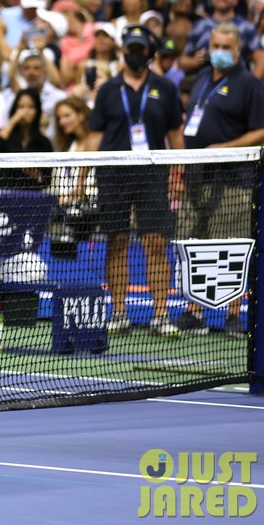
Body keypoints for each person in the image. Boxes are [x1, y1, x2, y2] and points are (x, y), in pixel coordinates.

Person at [85, 25, 184, 336]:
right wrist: (80, 178)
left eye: (141, 49)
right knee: (117, 242)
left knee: (155, 243)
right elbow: (94, 136)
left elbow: (175, 135)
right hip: (112, 173)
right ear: (123, 51)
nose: (136, 54)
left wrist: (177, 173)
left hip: (153, 172)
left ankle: (161, 314)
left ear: (149, 53)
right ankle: (118, 312)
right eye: (131, 49)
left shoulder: (165, 88)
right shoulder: (109, 90)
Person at [176, 24, 264, 336]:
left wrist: (223, 148)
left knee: (231, 248)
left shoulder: (248, 84)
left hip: (232, 181)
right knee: (195, 245)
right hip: (197, 178)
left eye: (226, 47)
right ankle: (194, 312)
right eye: (215, 45)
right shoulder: (202, 78)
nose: (219, 51)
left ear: (238, 50)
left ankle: (233, 315)